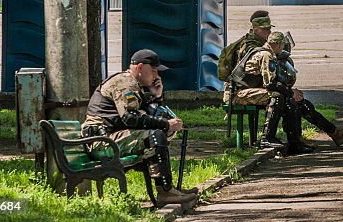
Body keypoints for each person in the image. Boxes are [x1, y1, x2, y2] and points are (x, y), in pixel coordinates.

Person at [83, 49, 197, 206]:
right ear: (141, 67)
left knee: (159, 133)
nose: (157, 76)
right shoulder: (124, 83)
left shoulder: (134, 85)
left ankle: (168, 189)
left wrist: (157, 97)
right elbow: (130, 118)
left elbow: (148, 116)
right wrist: (165, 124)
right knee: (155, 135)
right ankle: (166, 191)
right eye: (154, 71)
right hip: (102, 143)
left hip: (110, 139)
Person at [230, 31, 343, 153]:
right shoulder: (266, 55)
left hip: (253, 91)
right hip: (240, 94)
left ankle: (303, 141)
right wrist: (290, 93)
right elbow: (271, 84)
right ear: (278, 44)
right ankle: (266, 138)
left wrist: (291, 94)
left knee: (298, 103)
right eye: (283, 45)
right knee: (278, 97)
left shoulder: (270, 54)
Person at [217, 10, 274, 92]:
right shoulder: (248, 45)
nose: (269, 31)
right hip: (242, 87)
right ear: (256, 30)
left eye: (269, 28)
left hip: (251, 85)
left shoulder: (259, 42)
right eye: (266, 29)